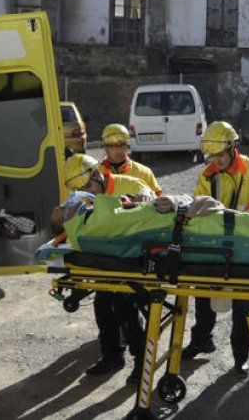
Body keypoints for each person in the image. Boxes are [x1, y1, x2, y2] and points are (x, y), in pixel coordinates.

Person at [180, 121, 249, 373]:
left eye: (219, 155)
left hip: (246, 245)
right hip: (215, 244)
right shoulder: (208, 174)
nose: (215, 160)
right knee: (202, 294)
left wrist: (231, 219)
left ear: (233, 148)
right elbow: (198, 205)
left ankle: (240, 356)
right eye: (211, 156)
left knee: (244, 306)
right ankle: (201, 340)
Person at [61, 153, 154, 383]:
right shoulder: (83, 194)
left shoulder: (132, 185)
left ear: (96, 173)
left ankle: (142, 364)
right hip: (105, 259)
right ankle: (112, 356)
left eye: (90, 187)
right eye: (82, 191)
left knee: (125, 310)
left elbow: (152, 216)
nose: (88, 194)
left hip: (131, 258)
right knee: (103, 307)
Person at [98, 123, 162, 196]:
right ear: (105, 147)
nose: (118, 150)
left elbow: (157, 200)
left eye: (122, 145)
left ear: (127, 145)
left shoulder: (144, 172)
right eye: (112, 146)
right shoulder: (96, 173)